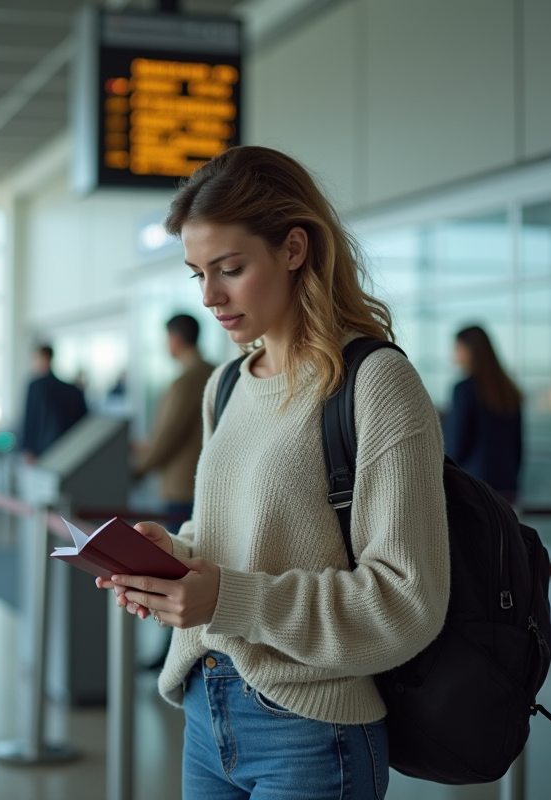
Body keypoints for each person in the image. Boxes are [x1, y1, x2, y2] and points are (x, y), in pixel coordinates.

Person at [97, 147, 450, 799]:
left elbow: (406, 601)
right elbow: (226, 543)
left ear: (293, 249)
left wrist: (227, 598)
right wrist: (171, 559)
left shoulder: (376, 383)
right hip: (207, 709)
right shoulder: (227, 383)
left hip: (312, 733)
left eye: (230, 269)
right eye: (197, 273)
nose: (210, 297)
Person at [134, 314, 215, 523]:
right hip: (205, 484)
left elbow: (168, 435)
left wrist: (139, 469)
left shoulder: (187, 381)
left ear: (175, 339)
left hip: (183, 488)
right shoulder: (214, 372)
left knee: (178, 552)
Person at [444, 325, 524, 503]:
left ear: (470, 350)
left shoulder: (464, 389)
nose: (454, 354)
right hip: (507, 487)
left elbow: (456, 445)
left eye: (457, 348)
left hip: (474, 489)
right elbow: (518, 446)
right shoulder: (508, 390)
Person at [20, 345, 87, 463]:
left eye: (35, 358)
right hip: (67, 448)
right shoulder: (72, 390)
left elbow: (31, 419)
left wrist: (28, 449)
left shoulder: (36, 386)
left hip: (42, 450)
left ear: (44, 359)